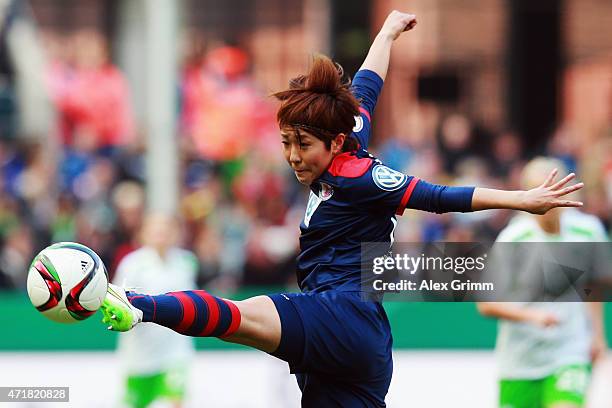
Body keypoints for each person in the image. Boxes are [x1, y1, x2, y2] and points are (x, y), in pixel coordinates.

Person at [101, 11, 585, 407]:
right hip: (358, 345)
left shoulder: (363, 175)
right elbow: (368, 87)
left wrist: (522, 199)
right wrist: (388, 32)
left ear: (333, 142)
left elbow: (439, 197)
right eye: (287, 142)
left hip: (341, 313)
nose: (293, 155)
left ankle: (136, 304)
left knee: (238, 317)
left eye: (303, 144)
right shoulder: (344, 137)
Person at [478, 157, 608, 408]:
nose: (548, 197)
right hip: (520, 361)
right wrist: (533, 317)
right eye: (540, 188)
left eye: (554, 187)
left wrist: (598, 336)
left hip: (570, 351)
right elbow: (486, 304)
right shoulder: (514, 238)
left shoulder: (588, 231)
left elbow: (593, 285)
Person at [114, 213, 198, 408]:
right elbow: (118, 303)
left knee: (175, 402)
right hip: (139, 356)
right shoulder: (132, 265)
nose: (162, 235)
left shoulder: (186, 262)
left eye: (166, 230)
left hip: (175, 352)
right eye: (156, 230)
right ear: (144, 234)